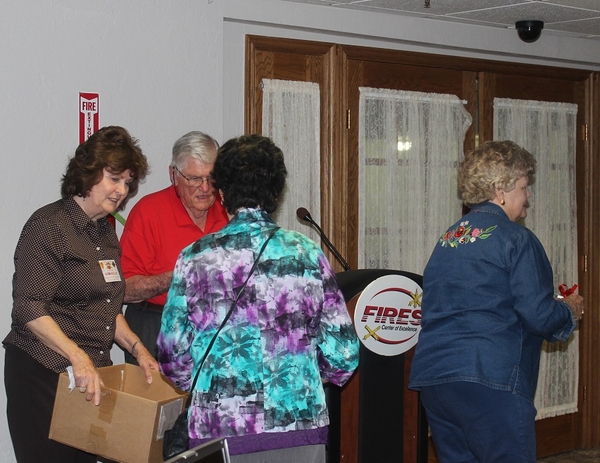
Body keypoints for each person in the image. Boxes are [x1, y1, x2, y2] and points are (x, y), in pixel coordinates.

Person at [157, 134, 360, 463]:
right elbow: (344, 353)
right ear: (277, 193)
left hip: (219, 431)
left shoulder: (196, 258)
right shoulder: (306, 253)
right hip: (299, 424)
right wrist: (302, 374)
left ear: (221, 192)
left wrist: (204, 379)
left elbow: (171, 354)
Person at [408, 140, 585, 463]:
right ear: (500, 189)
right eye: (523, 186)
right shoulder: (517, 238)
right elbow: (538, 314)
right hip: (491, 379)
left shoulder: (449, 238)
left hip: (436, 379)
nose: (528, 194)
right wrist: (569, 310)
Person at [4, 126, 159, 463]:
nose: (122, 190)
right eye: (115, 178)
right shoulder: (49, 226)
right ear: (88, 174)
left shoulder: (104, 231)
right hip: (42, 372)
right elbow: (29, 306)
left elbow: (106, 308)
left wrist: (138, 349)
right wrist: (78, 357)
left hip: (87, 376)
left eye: (128, 182)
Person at [120, 131, 228, 364]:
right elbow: (124, 290)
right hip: (156, 325)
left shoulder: (228, 210)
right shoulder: (149, 212)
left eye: (212, 178)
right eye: (195, 179)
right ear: (173, 175)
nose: (206, 188)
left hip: (217, 329)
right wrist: (180, 275)